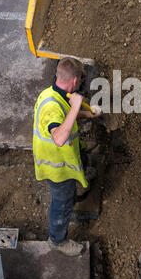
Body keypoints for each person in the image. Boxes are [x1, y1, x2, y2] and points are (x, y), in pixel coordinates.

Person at [33, 57, 100, 256]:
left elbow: (66, 116)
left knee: (73, 184)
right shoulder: (51, 106)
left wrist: (87, 114)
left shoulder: (53, 92)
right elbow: (60, 137)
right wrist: (75, 106)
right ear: (74, 81)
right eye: (80, 81)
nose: (80, 85)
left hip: (67, 158)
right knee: (62, 203)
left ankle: (82, 178)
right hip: (57, 168)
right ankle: (57, 240)